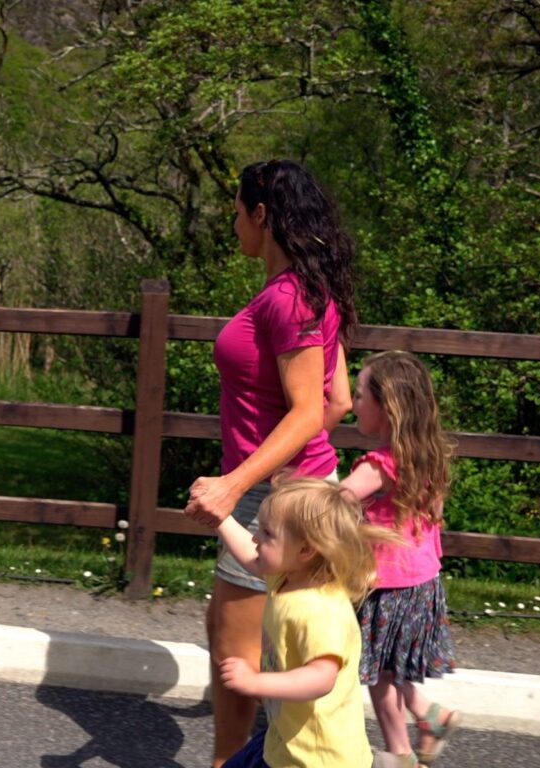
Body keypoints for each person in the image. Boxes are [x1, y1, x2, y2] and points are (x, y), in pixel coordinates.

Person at [184, 159, 357, 766]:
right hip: (288, 492)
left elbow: (310, 409)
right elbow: (338, 400)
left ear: (262, 215)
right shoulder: (307, 290)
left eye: (237, 212)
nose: (233, 224)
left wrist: (239, 483)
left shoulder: (288, 299)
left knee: (237, 669)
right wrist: (296, 474)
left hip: (267, 499)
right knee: (254, 647)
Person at [216, 477, 393, 768]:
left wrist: (255, 682)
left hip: (317, 758)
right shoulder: (288, 578)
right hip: (287, 740)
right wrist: (219, 517)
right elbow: (251, 556)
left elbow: (322, 678)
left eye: (268, 533)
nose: (256, 538)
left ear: (305, 550)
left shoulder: (320, 610)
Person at [339, 351, 461, 767]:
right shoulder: (427, 456)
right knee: (392, 669)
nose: (352, 404)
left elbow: (336, 499)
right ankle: (430, 716)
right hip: (423, 585)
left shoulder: (380, 465)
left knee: (378, 676)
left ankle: (399, 753)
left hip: (386, 588)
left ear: (386, 408)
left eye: (358, 396)